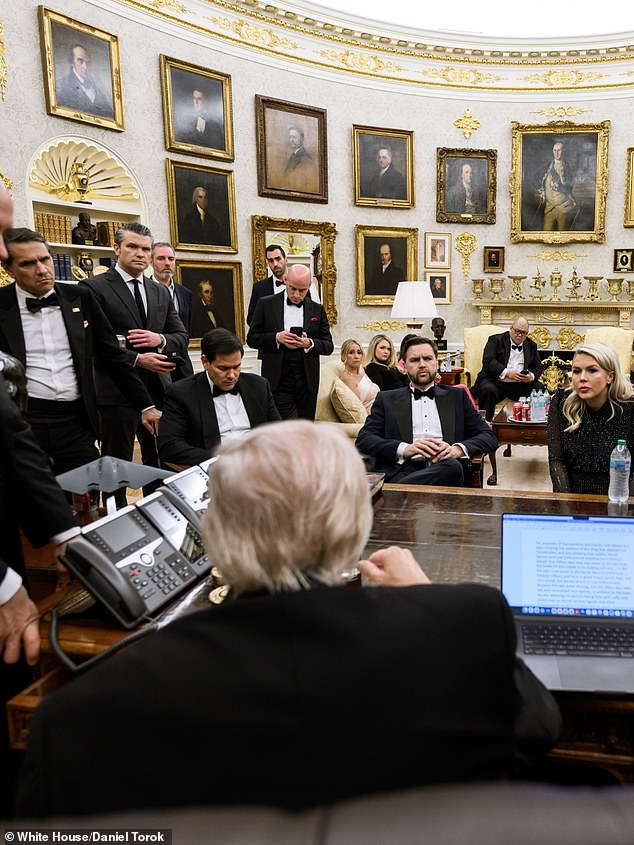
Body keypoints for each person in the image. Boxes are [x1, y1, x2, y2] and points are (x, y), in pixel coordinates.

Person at [16, 420, 560, 818]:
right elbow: (539, 725)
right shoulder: (466, 622)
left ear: (214, 535)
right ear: (355, 528)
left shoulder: (74, 719)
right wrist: (426, 599)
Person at [0, 229, 161, 476]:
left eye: (45, 260)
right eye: (28, 264)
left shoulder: (79, 297)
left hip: (76, 421)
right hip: (24, 423)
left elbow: (112, 355)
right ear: (9, 269)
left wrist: (145, 406)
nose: (42, 270)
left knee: (86, 496)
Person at [81, 223, 187, 499]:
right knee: (116, 468)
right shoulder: (93, 288)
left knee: (159, 465)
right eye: (132, 247)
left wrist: (158, 340)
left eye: (145, 248)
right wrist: (138, 359)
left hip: (157, 390)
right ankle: (114, 527)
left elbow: (181, 337)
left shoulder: (160, 291)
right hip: (116, 394)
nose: (140, 253)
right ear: (116, 249)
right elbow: (96, 345)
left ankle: (157, 516)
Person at [356, 335, 497, 486]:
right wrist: (404, 449)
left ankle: (395, 490)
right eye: (415, 360)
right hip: (402, 469)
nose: (422, 364)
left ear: (437, 363)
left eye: (428, 359)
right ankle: (400, 489)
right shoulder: (386, 399)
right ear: (404, 366)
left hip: (445, 470)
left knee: (453, 467)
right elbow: (364, 440)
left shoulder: (457, 397)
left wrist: (457, 449)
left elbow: (489, 437)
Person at [158, 328, 280, 466]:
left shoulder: (259, 386)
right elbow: (169, 446)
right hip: (216, 471)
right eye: (223, 369)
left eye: (237, 367)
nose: (232, 376)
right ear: (205, 362)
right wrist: (221, 460)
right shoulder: (181, 393)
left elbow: (278, 431)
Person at [247, 264, 333, 420]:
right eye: (293, 288)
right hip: (278, 379)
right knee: (285, 429)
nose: (296, 295)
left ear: (309, 286)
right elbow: (252, 338)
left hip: (306, 381)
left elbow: (328, 345)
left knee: (305, 429)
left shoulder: (317, 309)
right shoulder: (266, 304)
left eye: (302, 290)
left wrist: (309, 343)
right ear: (285, 280)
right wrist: (276, 338)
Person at [548, 342, 634, 495]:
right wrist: (566, 503)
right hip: (572, 497)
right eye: (576, 371)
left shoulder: (629, 409)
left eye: (592, 370)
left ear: (610, 376)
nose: (582, 378)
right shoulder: (561, 402)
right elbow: (557, 460)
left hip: (618, 498)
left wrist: (623, 507)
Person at [471, 318, 545, 422]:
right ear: (511, 329)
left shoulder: (531, 345)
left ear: (527, 333)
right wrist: (506, 373)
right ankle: (485, 423)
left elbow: (538, 367)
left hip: (520, 384)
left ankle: (534, 422)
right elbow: (488, 360)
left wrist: (530, 376)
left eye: (523, 333)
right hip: (496, 382)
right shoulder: (495, 340)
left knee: (539, 388)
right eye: (517, 331)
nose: (519, 335)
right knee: (487, 389)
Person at [148, 241, 193, 381]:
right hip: (153, 364)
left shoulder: (185, 293)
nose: (167, 263)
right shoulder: (143, 290)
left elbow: (185, 331)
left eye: (171, 259)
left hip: (181, 364)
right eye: (161, 258)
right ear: (151, 261)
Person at [56, 43, 113, 119]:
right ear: (72, 62)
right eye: (80, 61)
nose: (85, 67)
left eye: (87, 62)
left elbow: (110, 118)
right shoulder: (61, 86)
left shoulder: (100, 94)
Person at [538, 141, 577, 231]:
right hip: (549, 208)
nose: (556, 153)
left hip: (563, 208)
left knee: (563, 235)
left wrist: (558, 186)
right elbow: (538, 180)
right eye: (554, 150)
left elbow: (570, 186)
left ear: (564, 151)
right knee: (546, 235)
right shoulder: (547, 166)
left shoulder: (567, 167)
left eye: (559, 150)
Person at [246, 244, 288, 326]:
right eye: (271, 261)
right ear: (267, 263)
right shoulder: (259, 287)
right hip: (270, 337)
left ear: (286, 260)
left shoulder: (299, 284)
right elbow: (251, 319)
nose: (275, 264)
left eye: (278, 259)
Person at [338, 338, 379, 413]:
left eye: (359, 352)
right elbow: (358, 408)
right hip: (374, 413)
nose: (356, 356)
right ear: (344, 356)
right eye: (351, 352)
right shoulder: (347, 377)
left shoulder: (362, 370)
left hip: (380, 406)